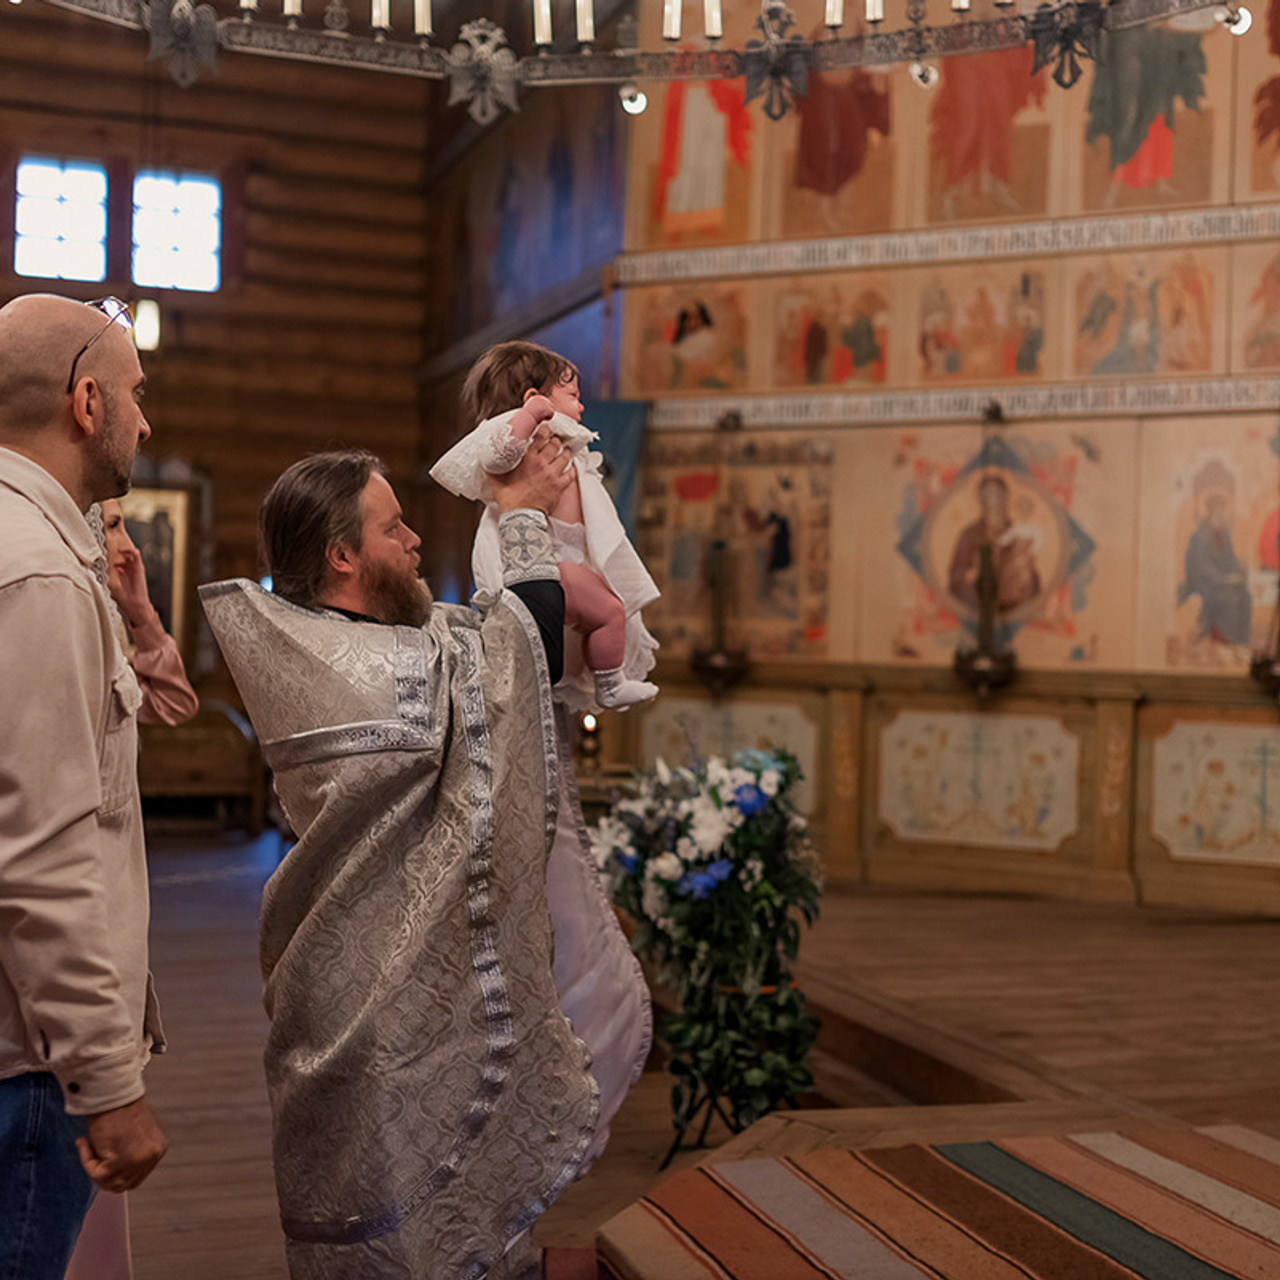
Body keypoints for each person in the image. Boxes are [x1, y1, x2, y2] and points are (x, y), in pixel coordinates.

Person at [199, 444, 651, 1280]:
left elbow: (505, 644)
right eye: (393, 524)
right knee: (384, 1229)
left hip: (428, 982)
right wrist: (518, 512)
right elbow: (513, 658)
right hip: (365, 1000)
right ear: (342, 555)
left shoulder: (413, 637)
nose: (413, 539)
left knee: (465, 1223)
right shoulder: (335, 663)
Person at [0, 293, 168, 1280]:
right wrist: (109, 1080)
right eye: (138, 395)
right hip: (30, 1067)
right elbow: (43, 853)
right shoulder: (42, 578)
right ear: (87, 400)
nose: (148, 422)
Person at [430, 339, 659, 711]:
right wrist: (530, 416)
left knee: (609, 612)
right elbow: (496, 455)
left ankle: (608, 680)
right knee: (611, 612)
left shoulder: (555, 437)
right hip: (548, 563)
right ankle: (611, 684)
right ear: (535, 397)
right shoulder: (518, 428)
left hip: (563, 559)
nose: (582, 405)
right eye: (572, 394)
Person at [97, 497, 199, 725]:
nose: (130, 547)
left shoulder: (110, 619)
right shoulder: (74, 617)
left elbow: (175, 704)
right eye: (113, 526)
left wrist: (141, 612)